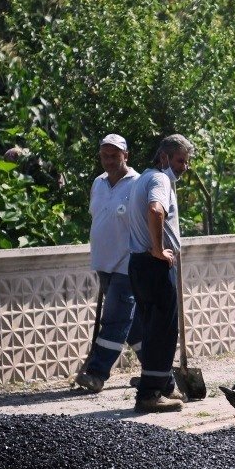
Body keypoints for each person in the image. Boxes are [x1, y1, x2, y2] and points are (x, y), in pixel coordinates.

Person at [125, 134, 195, 413]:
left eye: (186, 162)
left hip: (138, 264)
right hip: (154, 264)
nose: (184, 167)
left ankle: (163, 385)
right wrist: (158, 249)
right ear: (164, 157)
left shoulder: (141, 178)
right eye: (180, 160)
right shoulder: (159, 180)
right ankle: (150, 393)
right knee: (163, 330)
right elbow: (156, 210)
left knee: (153, 326)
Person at [74, 134, 145, 392]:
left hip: (128, 264)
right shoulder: (98, 183)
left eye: (115, 155)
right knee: (133, 324)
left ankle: (97, 373)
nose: (109, 160)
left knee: (115, 319)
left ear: (126, 155)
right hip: (103, 264)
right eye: (105, 155)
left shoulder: (138, 183)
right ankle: (158, 373)